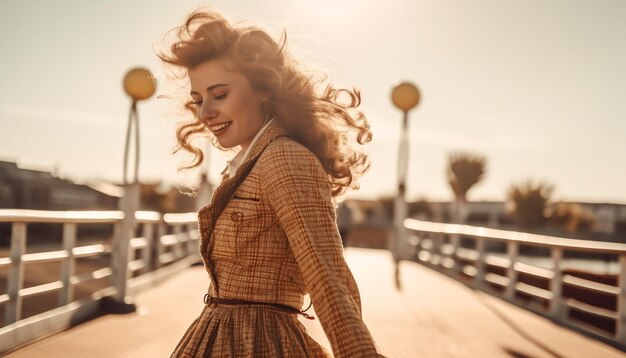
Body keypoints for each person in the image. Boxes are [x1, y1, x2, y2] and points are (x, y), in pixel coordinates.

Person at [158, 8, 384, 357]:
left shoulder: (285, 158)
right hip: (220, 335)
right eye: (199, 100)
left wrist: (358, 354)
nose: (205, 114)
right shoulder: (247, 163)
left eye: (219, 95)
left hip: (260, 343)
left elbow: (328, 276)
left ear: (263, 89)